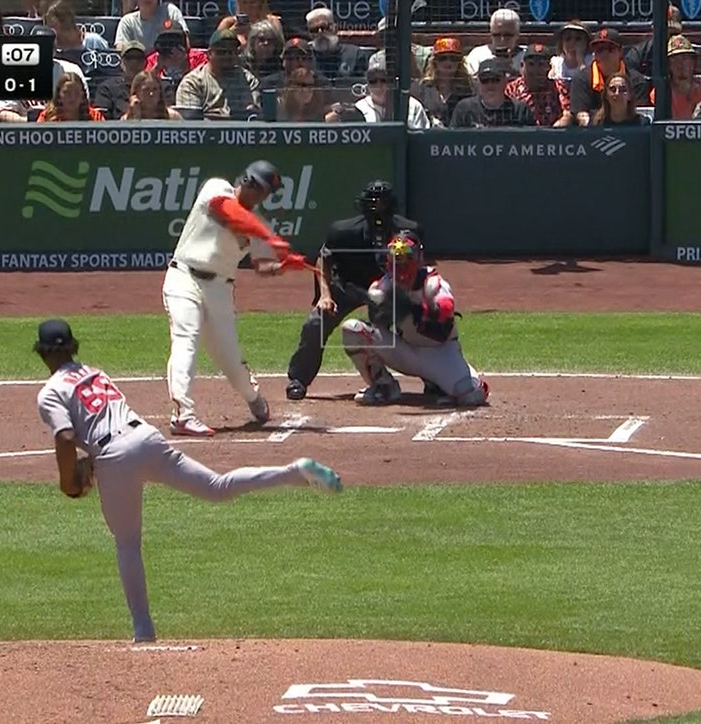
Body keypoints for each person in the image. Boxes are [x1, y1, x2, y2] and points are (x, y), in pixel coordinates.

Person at [33, 318, 342, 644]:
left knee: (127, 543)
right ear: (72, 347)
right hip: (146, 438)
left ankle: (144, 632)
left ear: (42, 354)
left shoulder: (51, 392)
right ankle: (292, 472)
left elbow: (66, 437)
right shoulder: (95, 372)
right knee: (217, 487)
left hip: (114, 456)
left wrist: (68, 481)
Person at [162, 160, 297, 437]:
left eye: (267, 194)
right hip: (184, 277)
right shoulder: (217, 188)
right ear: (248, 182)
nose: (263, 198)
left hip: (220, 291)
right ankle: (183, 415)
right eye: (262, 190)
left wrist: (282, 266)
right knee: (186, 338)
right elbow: (229, 213)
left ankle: (253, 397)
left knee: (230, 359)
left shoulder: (257, 224)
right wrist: (269, 237)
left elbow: (261, 266)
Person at [285, 180, 422, 401]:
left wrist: (407, 297)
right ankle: (298, 379)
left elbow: (419, 265)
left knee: (418, 319)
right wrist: (325, 295)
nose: (378, 208)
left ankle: (433, 379)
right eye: (373, 203)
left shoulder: (408, 231)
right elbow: (323, 259)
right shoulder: (343, 231)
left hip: (387, 290)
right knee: (316, 322)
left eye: (383, 202)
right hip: (347, 286)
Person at [340, 231, 490, 408]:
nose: (401, 264)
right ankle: (383, 386)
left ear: (418, 258)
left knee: (472, 396)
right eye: (397, 258)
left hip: (441, 353)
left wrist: (414, 309)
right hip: (407, 352)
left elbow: (446, 310)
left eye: (407, 258)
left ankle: (436, 384)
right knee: (353, 330)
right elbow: (378, 323)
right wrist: (379, 306)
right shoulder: (384, 286)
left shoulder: (432, 283)